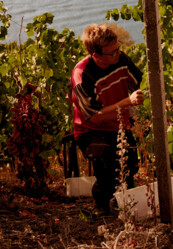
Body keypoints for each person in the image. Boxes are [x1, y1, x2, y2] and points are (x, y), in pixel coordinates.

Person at [70, 24, 144, 216]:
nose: (118, 54)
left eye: (119, 48)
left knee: (131, 165)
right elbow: (94, 117)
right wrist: (128, 102)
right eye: (112, 52)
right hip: (90, 130)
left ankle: (126, 208)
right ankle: (101, 210)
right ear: (96, 55)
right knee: (109, 169)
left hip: (118, 125)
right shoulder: (82, 74)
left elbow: (139, 82)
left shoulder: (121, 60)